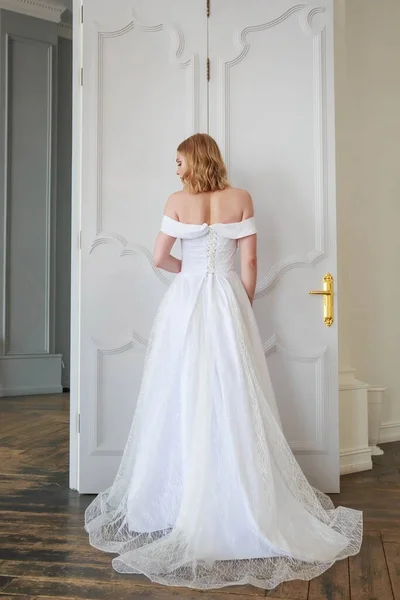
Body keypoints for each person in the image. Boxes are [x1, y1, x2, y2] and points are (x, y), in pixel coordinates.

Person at [84, 133, 362, 591]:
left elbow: (159, 258)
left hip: (185, 303)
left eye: (178, 161)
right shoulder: (241, 198)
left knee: (178, 390)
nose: (175, 170)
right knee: (233, 393)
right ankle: (240, 498)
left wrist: (191, 276)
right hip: (228, 300)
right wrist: (240, 303)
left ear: (194, 161)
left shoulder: (177, 200)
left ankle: (170, 503)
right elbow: (250, 261)